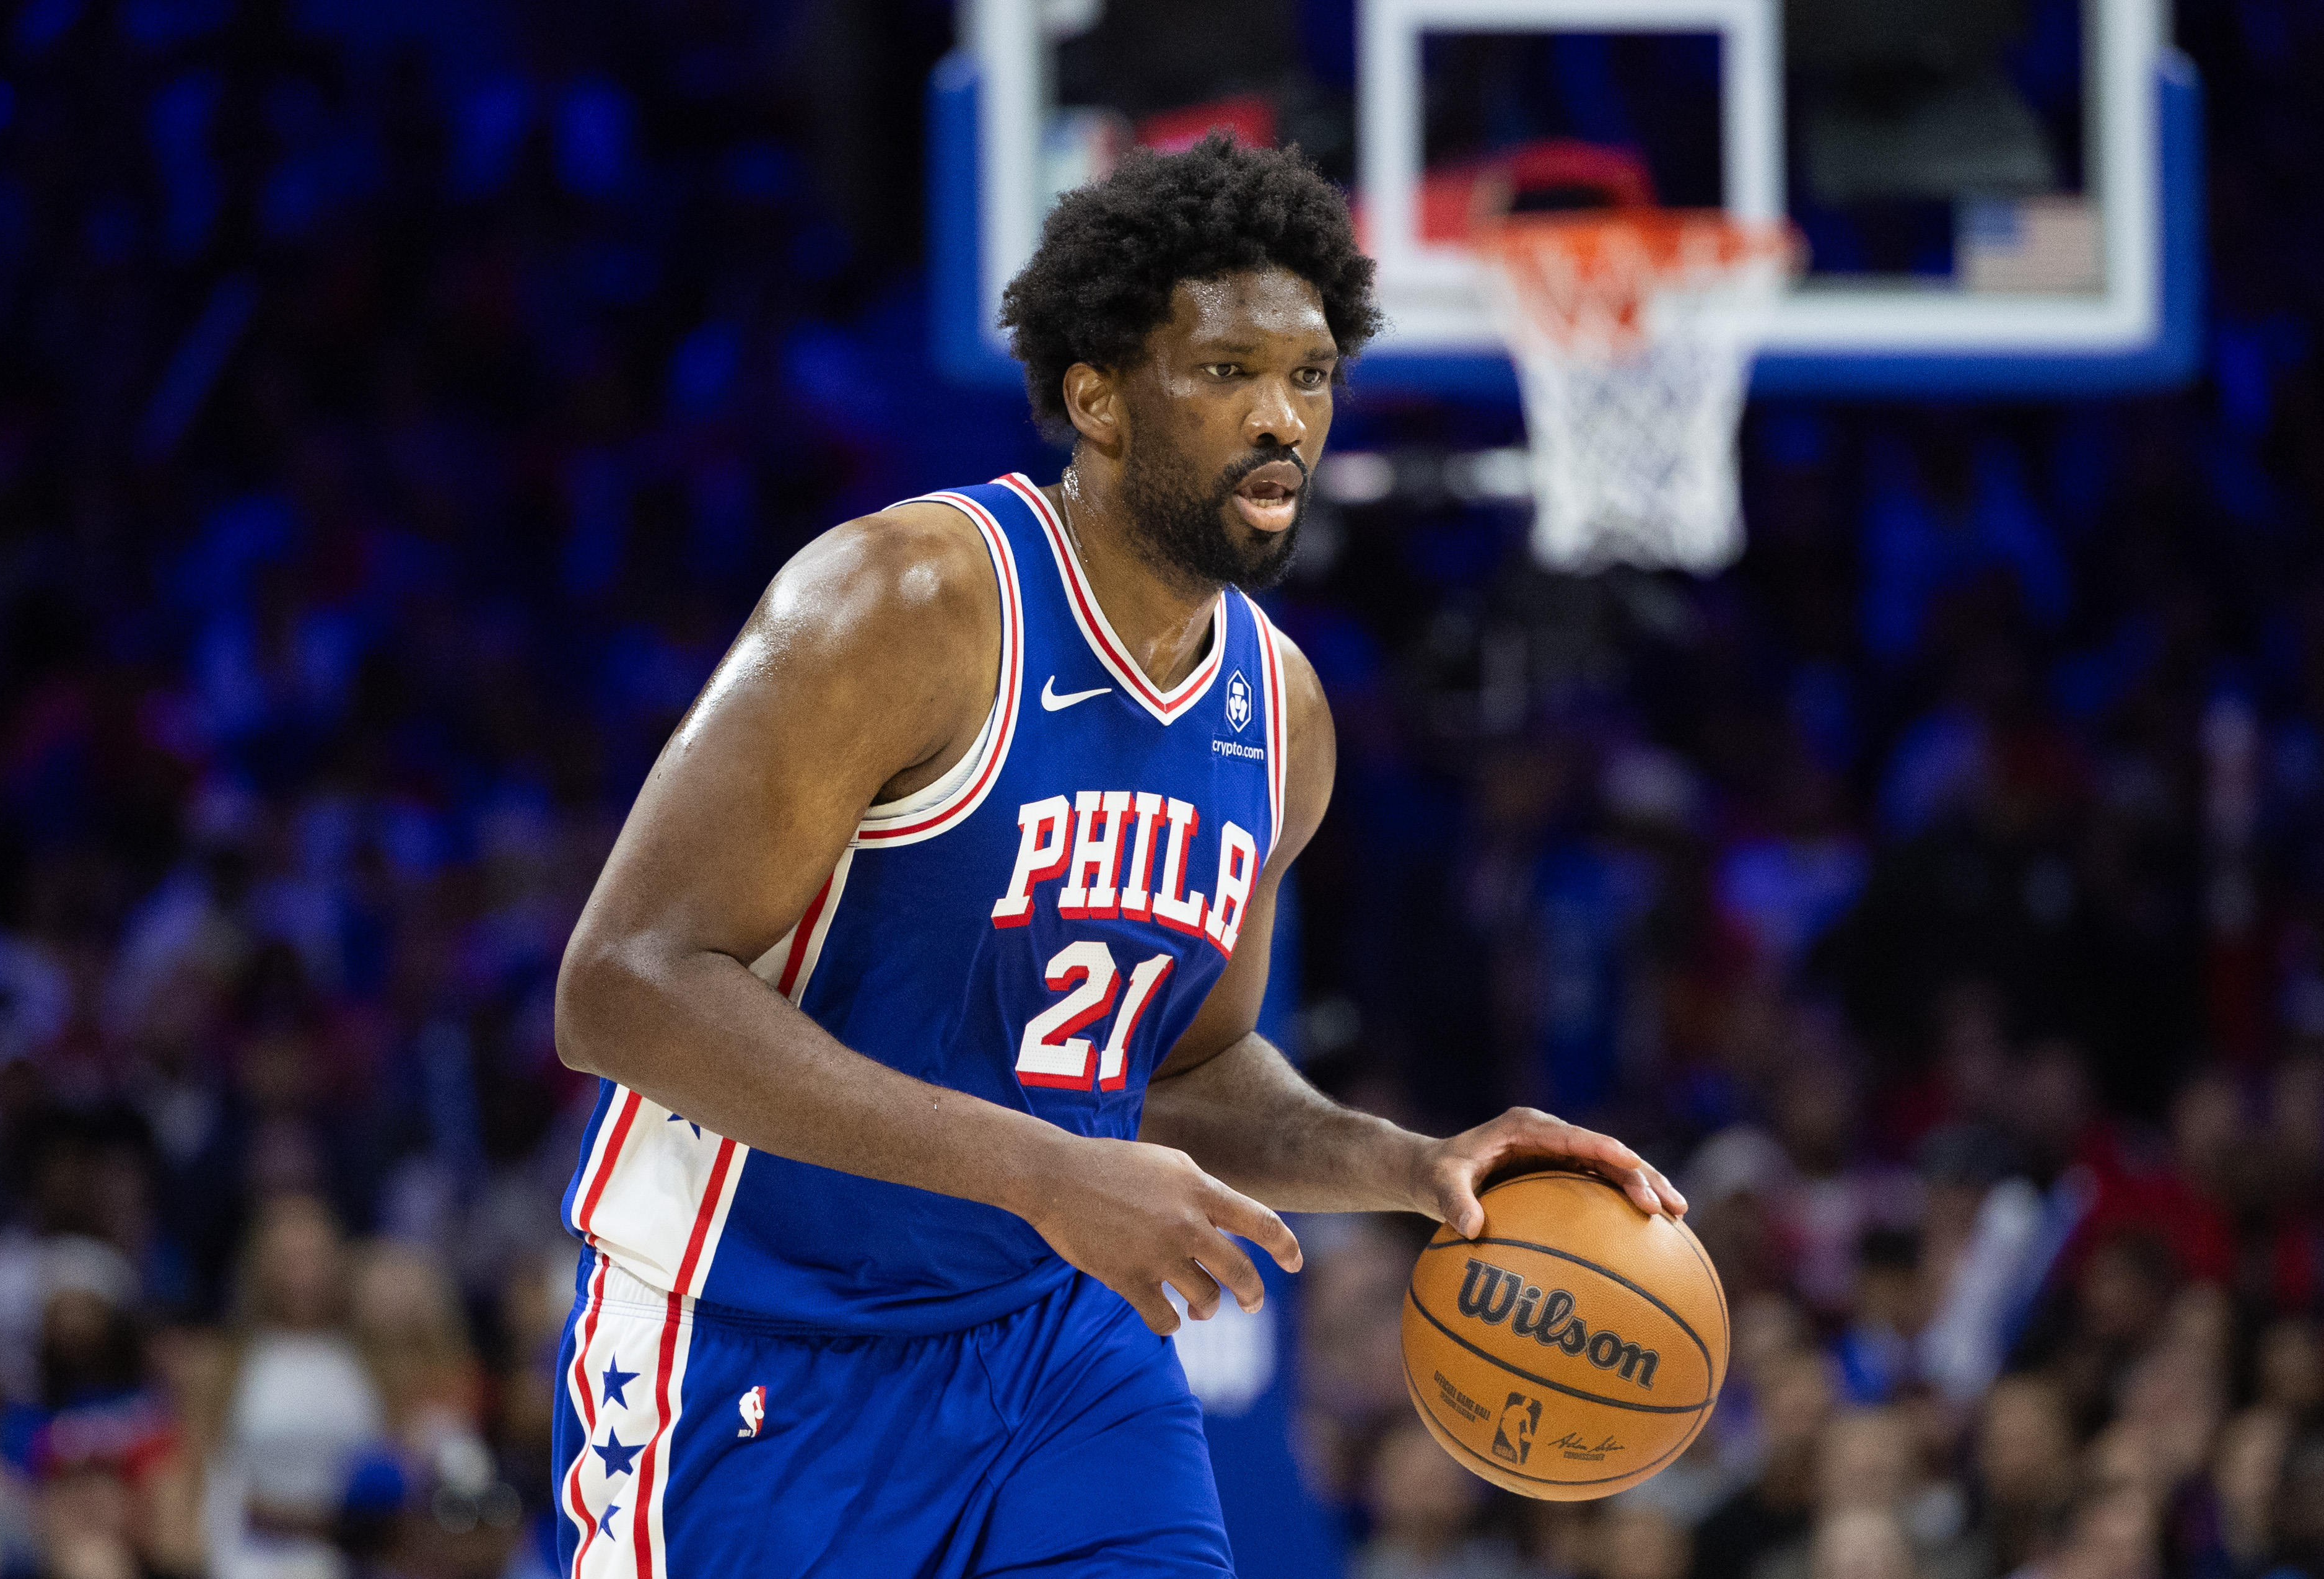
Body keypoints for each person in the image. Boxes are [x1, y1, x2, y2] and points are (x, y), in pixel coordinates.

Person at [549, 134, 1685, 1578]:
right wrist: (1048, 1170)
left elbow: (1190, 1077)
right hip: (761, 1336)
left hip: (1058, 1350)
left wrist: (1411, 1165)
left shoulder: (1281, 718)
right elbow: (622, 990)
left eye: (1310, 378)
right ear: (1095, 396)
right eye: (1225, 374)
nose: (1279, 418)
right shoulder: (906, 605)